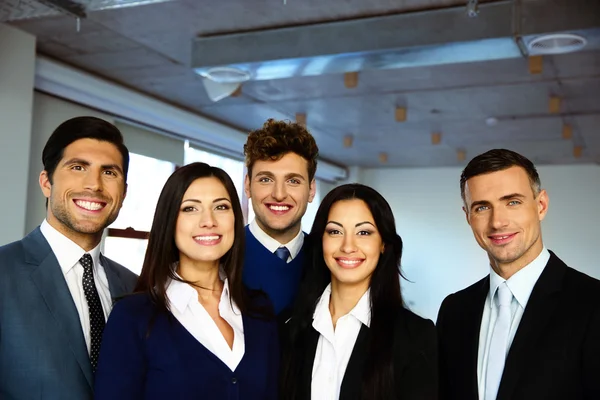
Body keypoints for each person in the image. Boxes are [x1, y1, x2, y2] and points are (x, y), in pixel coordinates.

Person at [94, 162, 279, 400]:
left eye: (221, 207)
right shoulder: (132, 317)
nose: (208, 221)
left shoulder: (259, 309)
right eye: (190, 209)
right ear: (170, 221)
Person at [436, 149, 600, 400]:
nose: (497, 222)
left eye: (512, 202)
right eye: (482, 207)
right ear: (468, 216)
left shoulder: (592, 303)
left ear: (541, 205)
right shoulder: (454, 310)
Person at [0, 116, 138, 399]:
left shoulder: (136, 288)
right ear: (46, 183)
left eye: (109, 172)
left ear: (123, 194)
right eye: (78, 167)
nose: (94, 185)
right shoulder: (4, 273)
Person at [281, 183, 438, 400]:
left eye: (363, 232)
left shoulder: (416, 336)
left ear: (383, 243)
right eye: (335, 231)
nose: (348, 246)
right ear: (321, 240)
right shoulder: (288, 327)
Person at [242, 118, 319, 317]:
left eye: (293, 181)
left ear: (311, 190)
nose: (278, 194)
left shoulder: (326, 260)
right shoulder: (223, 257)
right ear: (248, 186)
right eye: (266, 179)